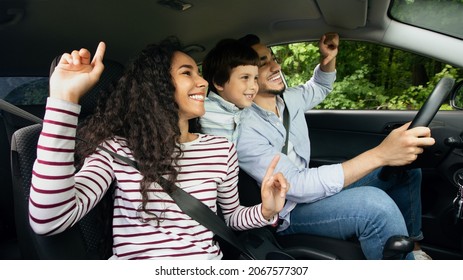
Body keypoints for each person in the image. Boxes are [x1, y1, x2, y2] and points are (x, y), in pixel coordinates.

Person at [28, 38, 289, 260]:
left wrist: (266, 210)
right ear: (157, 85)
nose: (203, 82)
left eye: (199, 73)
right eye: (187, 73)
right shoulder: (115, 149)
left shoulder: (222, 149)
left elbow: (230, 218)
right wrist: (64, 99)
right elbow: (50, 219)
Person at [236, 33, 435, 260]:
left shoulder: (289, 98)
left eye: (273, 57)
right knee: (375, 206)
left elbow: (320, 85)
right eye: (263, 62)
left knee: (405, 169)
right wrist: (380, 154)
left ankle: (415, 250)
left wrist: (327, 59)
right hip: (288, 212)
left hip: (310, 189)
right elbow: (297, 185)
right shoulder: (244, 128)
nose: (275, 66)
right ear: (246, 75)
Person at [200, 39, 260, 143]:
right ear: (219, 83)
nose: (254, 86)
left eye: (255, 78)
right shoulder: (202, 110)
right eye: (245, 77)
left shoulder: (252, 112)